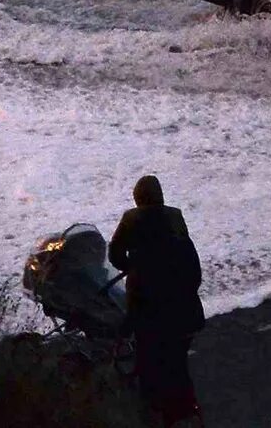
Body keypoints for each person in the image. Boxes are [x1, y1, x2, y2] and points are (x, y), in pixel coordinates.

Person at [109, 174, 207, 424]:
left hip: (147, 308)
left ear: (138, 199)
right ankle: (186, 408)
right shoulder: (175, 217)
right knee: (177, 362)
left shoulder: (132, 219)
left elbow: (115, 254)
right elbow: (193, 269)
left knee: (148, 363)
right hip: (184, 309)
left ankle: (157, 413)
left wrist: (131, 266)